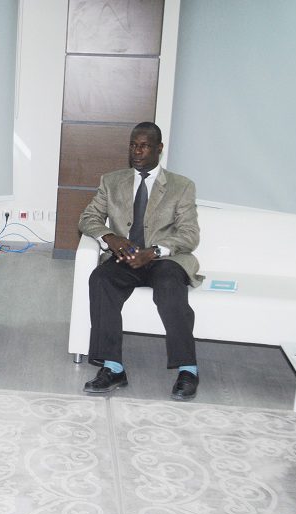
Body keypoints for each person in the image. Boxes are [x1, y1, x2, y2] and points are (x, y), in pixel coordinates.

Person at [78, 122, 202, 400]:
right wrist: (110, 238)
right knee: (100, 279)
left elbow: (190, 234)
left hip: (164, 260)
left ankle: (188, 369)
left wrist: (155, 251)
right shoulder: (111, 181)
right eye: (133, 145)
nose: (137, 151)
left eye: (144, 146)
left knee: (170, 286)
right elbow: (88, 218)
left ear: (159, 149)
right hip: (125, 257)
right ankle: (113, 367)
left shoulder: (181, 186)